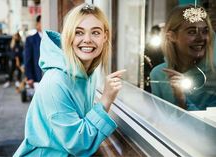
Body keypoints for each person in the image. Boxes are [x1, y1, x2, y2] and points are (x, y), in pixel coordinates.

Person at [14, 3, 126, 156]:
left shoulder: (88, 72)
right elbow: (78, 144)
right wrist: (106, 99)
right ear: (68, 36)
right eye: (79, 32)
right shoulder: (55, 82)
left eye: (95, 32)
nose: (87, 39)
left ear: (105, 36)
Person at [150, 5, 216, 111]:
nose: (201, 38)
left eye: (205, 31)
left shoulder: (213, 74)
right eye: (192, 32)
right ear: (171, 36)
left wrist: (182, 100)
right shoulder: (158, 74)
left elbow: (209, 124)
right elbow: (158, 120)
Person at [24, 15, 43, 88]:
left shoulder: (51, 39)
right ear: (38, 24)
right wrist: (29, 77)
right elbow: (28, 59)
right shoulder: (31, 40)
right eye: (42, 22)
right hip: (37, 78)